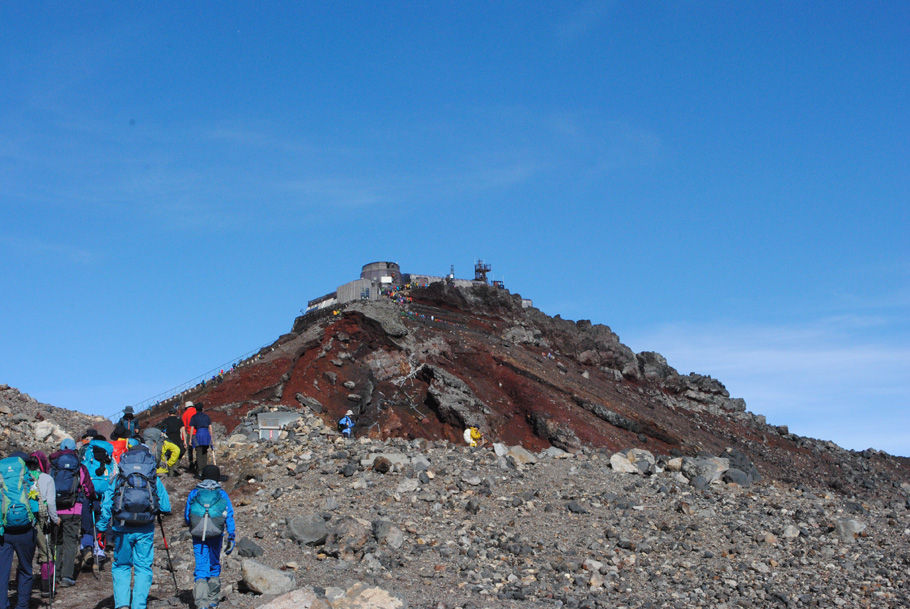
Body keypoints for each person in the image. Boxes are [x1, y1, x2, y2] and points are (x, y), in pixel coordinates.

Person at [97, 439, 171, 609]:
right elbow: (166, 506)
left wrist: (101, 528)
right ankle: (139, 605)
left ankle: (122, 604)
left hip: (122, 527)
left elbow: (107, 503)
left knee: (122, 566)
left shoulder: (120, 475)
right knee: (143, 567)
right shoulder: (151, 476)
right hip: (145, 527)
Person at [185, 465, 235, 609]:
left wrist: (194, 526)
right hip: (216, 534)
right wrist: (231, 536)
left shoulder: (195, 492)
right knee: (214, 564)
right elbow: (229, 516)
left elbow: (187, 515)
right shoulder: (222, 494)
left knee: (201, 566)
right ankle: (213, 599)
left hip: (198, 535)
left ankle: (201, 603)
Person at [49, 438, 94, 587]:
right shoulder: (79, 466)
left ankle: (55, 573)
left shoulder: (53, 466)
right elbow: (88, 489)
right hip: (73, 510)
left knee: (57, 542)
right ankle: (67, 577)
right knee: (70, 542)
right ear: (75, 450)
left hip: (55, 509)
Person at [0, 452, 38, 609]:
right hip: (25, 531)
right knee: (25, 568)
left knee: (2, 571)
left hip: (4, 532)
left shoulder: (2, 480)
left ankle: (2, 604)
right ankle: (22, 605)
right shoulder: (29, 479)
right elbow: (36, 505)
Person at [79, 429, 115, 573]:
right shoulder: (109, 453)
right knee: (102, 520)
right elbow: (114, 473)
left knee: (87, 522)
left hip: (88, 491)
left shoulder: (87, 450)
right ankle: (99, 552)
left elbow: (81, 470)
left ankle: (87, 547)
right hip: (105, 492)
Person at [24, 452, 59, 598]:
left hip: (25, 519)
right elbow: (50, 502)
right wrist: (55, 518)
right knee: (46, 553)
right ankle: (46, 587)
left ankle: (24, 586)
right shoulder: (47, 479)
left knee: (25, 555)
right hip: (42, 518)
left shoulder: (23, 478)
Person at [189, 403, 213, 474]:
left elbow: (192, 429)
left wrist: (190, 439)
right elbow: (210, 428)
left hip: (198, 435)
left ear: (195, 409)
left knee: (199, 452)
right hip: (206, 435)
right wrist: (211, 439)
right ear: (202, 409)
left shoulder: (194, 417)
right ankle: (204, 469)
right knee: (204, 452)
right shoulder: (207, 417)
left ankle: (200, 470)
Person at [160, 405, 185, 471]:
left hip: (169, 439)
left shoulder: (165, 420)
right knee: (179, 452)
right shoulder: (179, 420)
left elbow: (162, 431)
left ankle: (170, 470)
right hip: (178, 438)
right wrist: (184, 440)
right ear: (175, 413)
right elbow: (183, 430)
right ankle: (176, 466)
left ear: (168, 413)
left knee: (169, 454)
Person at [181, 401, 198, 473]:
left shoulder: (184, 414)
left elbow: (183, 428)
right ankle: (198, 462)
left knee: (190, 450)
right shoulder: (196, 411)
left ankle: (191, 463)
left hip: (189, 433)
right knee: (198, 449)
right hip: (198, 432)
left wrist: (184, 440)